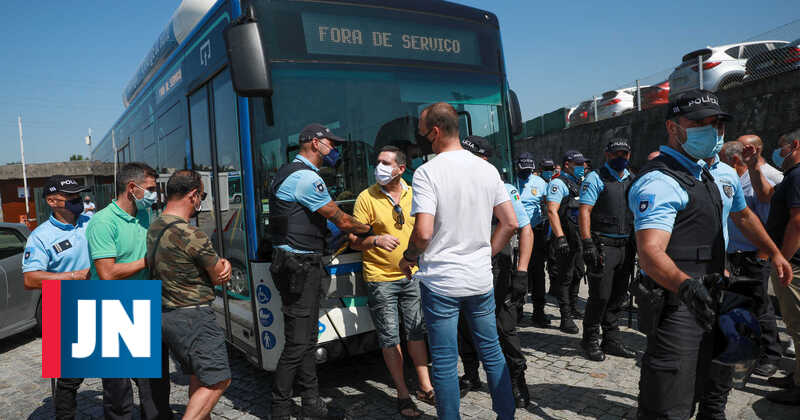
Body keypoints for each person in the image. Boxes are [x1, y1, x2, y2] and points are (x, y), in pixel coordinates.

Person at [628, 90, 791, 418]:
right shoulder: (660, 183)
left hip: (714, 293)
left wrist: (774, 253)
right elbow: (650, 253)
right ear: (674, 128)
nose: (714, 131)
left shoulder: (708, 174)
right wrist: (687, 286)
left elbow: (743, 216)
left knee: (715, 386)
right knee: (670, 401)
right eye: (701, 123)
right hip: (678, 303)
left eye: (718, 124)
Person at [398, 102, 517, 419]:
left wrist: (408, 258)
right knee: (492, 351)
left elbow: (423, 233)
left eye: (423, 132)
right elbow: (510, 223)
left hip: (440, 283)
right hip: (479, 279)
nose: (421, 138)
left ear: (435, 132)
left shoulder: (427, 173)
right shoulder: (486, 168)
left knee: (446, 359)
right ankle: (506, 415)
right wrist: (486, 253)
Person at [269, 123, 373, 420]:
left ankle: (311, 403)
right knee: (298, 343)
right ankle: (280, 408)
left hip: (297, 265)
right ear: (315, 143)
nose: (334, 149)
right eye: (330, 143)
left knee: (307, 340)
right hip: (299, 268)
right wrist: (369, 227)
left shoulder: (287, 171)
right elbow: (340, 219)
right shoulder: (304, 178)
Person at [348, 146, 435, 418]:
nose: (379, 167)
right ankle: (402, 393)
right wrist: (376, 239)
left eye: (386, 163)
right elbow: (353, 240)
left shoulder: (415, 192)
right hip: (380, 278)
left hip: (412, 275)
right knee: (389, 336)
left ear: (400, 169)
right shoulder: (366, 197)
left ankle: (425, 385)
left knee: (416, 332)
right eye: (377, 162)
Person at [85, 162, 172, 420]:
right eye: (150, 188)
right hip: (111, 312)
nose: (155, 194)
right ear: (132, 188)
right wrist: (149, 260)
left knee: (155, 388)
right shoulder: (102, 222)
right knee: (118, 394)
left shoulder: (145, 216)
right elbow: (107, 273)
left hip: (146, 307)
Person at [147, 170, 232, 419]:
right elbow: (218, 275)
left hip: (166, 316)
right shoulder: (191, 234)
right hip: (194, 318)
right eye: (202, 195)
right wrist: (223, 264)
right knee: (218, 380)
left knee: (199, 373)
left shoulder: (154, 226)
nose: (201, 201)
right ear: (193, 195)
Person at [457, 136, 532, 408]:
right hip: (463, 266)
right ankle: (470, 374)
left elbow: (524, 228)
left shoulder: (502, 187)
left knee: (504, 326)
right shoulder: (454, 186)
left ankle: (516, 380)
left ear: (484, 159)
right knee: (463, 324)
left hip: (497, 268)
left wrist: (521, 272)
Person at [22, 175, 91, 420]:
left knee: (122, 370)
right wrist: (73, 276)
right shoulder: (40, 236)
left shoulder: (92, 222)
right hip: (66, 308)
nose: (78, 200)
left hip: (103, 301)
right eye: (71, 197)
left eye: (78, 195)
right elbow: (30, 279)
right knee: (70, 378)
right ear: (52, 201)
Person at [719, 139, 784, 378]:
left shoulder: (755, 184)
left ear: (734, 161)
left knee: (761, 307)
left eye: (722, 160)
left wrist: (761, 257)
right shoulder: (729, 182)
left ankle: (771, 354)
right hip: (730, 255)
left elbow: (767, 224)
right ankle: (742, 348)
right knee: (734, 305)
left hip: (753, 256)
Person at [578, 140, 637, 361]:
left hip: (626, 246)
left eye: (624, 153)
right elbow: (585, 211)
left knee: (619, 296)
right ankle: (590, 339)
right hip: (603, 246)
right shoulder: (596, 178)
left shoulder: (632, 179)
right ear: (607, 154)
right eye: (616, 154)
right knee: (599, 296)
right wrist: (587, 243)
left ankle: (611, 340)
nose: (620, 157)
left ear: (629, 155)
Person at [763, 129, 800, 405]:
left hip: (794, 266)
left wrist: (783, 260)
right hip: (792, 263)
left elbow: (797, 222)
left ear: (794, 146)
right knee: (791, 323)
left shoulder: (797, 176)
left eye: (781, 147)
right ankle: (796, 377)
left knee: (797, 325)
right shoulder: (791, 177)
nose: (779, 153)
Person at [546, 149, 587, 334]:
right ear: (567, 164)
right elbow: (552, 211)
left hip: (578, 236)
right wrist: (560, 238)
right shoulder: (558, 183)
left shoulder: (579, 183)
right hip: (565, 237)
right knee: (565, 276)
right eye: (578, 164)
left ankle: (573, 306)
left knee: (578, 272)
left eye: (583, 164)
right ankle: (565, 316)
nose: (582, 167)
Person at [516, 153, 551, 327]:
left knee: (537, 272)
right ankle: (516, 309)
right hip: (514, 232)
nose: (526, 173)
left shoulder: (540, 183)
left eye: (529, 170)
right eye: (523, 170)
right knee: (517, 272)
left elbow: (548, 205)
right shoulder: (510, 182)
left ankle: (539, 310)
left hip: (535, 232)